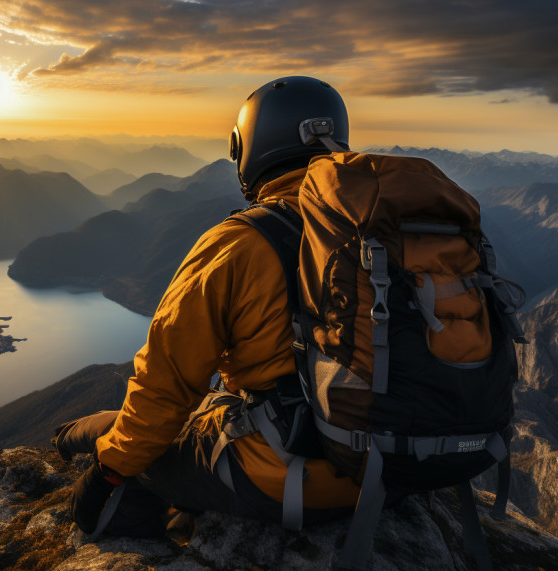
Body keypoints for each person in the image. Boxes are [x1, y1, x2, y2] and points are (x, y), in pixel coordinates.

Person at [53, 76, 362, 538]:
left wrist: (107, 475)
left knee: (154, 452)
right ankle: (80, 434)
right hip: (389, 470)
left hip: (297, 476)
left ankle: (98, 464)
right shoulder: (379, 229)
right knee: (204, 416)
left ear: (251, 146)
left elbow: (166, 385)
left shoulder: (240, 243)